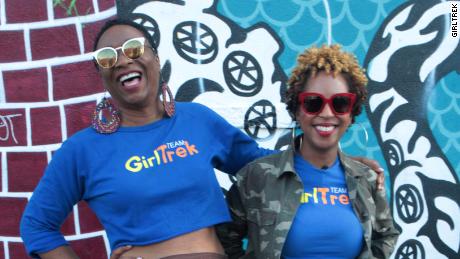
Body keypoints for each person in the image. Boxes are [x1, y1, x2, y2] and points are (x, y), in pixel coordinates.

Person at [19, 19, 385, 259]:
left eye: (133, 49)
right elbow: (36, 225)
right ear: (100, 73)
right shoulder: (83, 150)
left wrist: (344, 164)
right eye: (107, 57)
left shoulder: (197, 121)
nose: (121, 61)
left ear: (154, 57)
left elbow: (266, 165)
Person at [216, 45, 400, 259]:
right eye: (313, 103)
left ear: (352, 113)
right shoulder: (257, 177)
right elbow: (225, 238)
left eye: (340, 103)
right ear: (296, 109)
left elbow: (386, 235)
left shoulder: (365, 179)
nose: (327, 113)